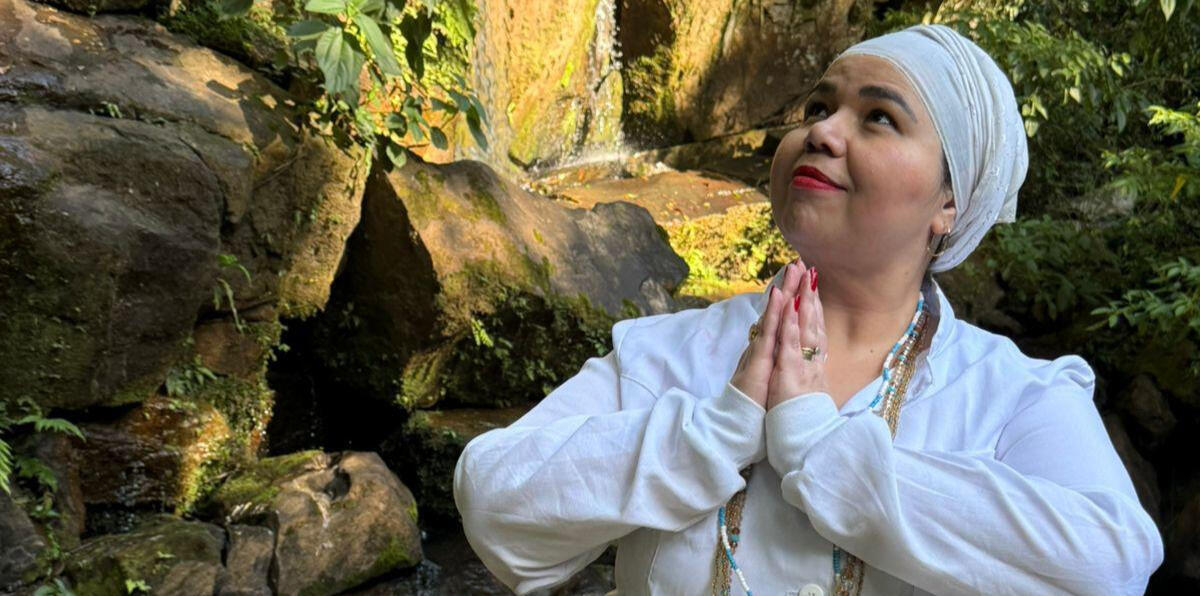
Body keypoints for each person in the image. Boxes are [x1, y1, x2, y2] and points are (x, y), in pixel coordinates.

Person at [453, 24, 1163, 596]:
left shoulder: (1015, 395)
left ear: (951, 201)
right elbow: (492, 505)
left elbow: (1111, 569)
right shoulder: (667, 353)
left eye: (879, 117)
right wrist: (714, 434)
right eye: (817, 109)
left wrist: (821, 450)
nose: (821, 133)